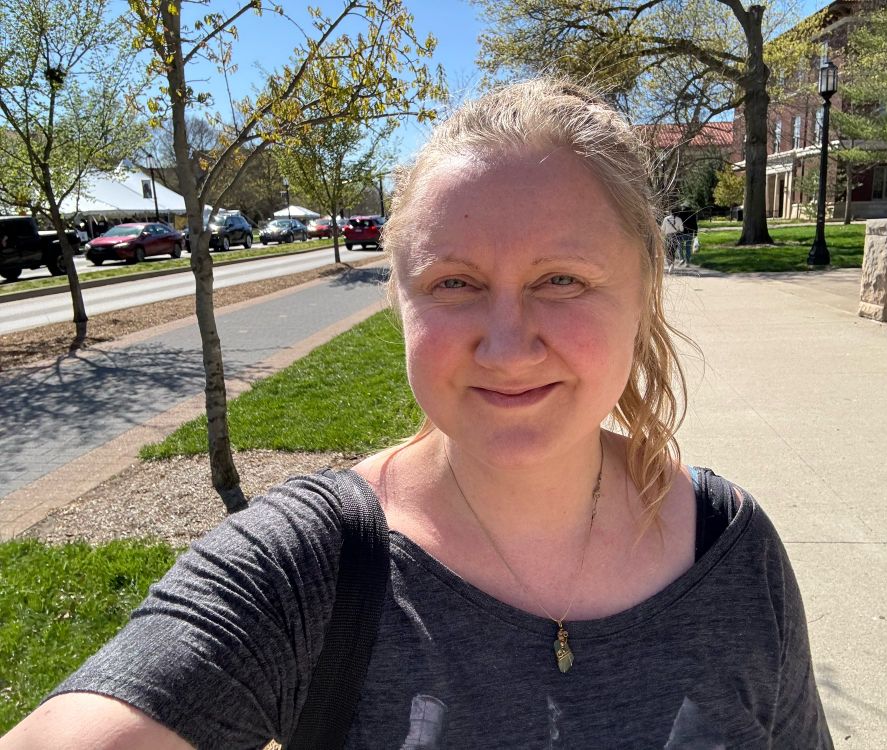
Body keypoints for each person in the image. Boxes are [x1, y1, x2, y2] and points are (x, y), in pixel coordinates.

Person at [2, 79, 832, 749]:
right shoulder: (311, 569)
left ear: (645, 289)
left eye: (563, 280)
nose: (507, 348)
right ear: (399, 301)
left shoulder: (732, 550)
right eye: (455, 284)